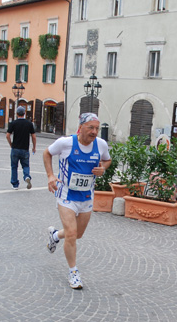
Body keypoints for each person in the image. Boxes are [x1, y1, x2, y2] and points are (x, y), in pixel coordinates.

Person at [43, 113, 111, 289]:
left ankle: (55, 235)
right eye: (91, 128)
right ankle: (73, 272)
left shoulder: (101, 145)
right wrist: (50, 175)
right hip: (66, 195)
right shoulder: (66, 143)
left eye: (97, 128)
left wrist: (102, 168)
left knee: (77, 234)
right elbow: (47, 153)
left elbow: (107, 159)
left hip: (87, 196)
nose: (95, 132)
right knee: (72, 233)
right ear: (81, 128)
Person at [6, 106, 36, 190]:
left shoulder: (13, 123)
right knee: (26, 165)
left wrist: (10, 144)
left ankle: (15, 184)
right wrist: (34, 147)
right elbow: (33, 136)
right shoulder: (29, 124)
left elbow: (7, 135)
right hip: (25, 149)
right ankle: (27, 176)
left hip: (15, 148)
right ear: (24, 113)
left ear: (16, 114)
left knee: (14, 166)